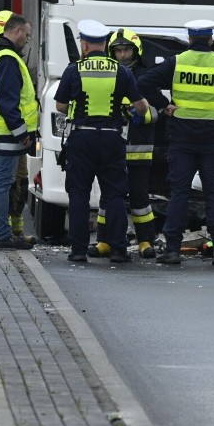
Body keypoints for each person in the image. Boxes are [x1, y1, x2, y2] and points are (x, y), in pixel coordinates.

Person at [138, 19, 214, 266]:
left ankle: (172, 250)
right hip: (213, 138)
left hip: (182, 138)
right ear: (211, 40)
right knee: (213, 194)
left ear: (190, 39)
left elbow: (144, 82)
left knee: (179, 193)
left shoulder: (177, 62)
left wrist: (163, 105)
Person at [54, 20, 149, 263]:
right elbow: (141, 106)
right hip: (111, 138)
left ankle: (78, 251)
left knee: (79, 194)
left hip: (82, 138)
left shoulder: (74, 69)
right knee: (115, 194)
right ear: (106, 44)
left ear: (84, 45)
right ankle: (118, 250)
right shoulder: (122, 71)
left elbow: (61, 106)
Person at [88, 28, 160, 260]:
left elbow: (160, 110)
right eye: (118, 50)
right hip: (112, 147)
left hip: (139, 149)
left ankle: (145, 241)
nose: (122, 55)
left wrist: (144, 115)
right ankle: (104, 241)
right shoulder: (108, 74)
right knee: (107, 197)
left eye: (126, 50)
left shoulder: (146, 76)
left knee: (140, 198)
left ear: (135, 51)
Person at [0, 12, 38, 250]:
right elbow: (7, 100)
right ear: (16, 31)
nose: (27, 39)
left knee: (4, 182)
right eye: (27, 34)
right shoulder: (8, 59)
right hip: (8, 134)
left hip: (0, 132)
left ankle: (6, 232)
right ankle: (3, 235)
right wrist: (22, 131)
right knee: (4, 183)